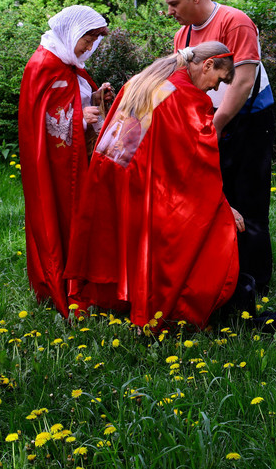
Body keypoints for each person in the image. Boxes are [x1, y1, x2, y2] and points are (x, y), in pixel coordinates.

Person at [65, 42, 245, 329]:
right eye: (219, 81)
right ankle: (168, 307)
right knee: (199, 227)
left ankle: (121, 298)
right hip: (139, 177)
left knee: (120, 240)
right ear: (208, 65)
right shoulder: (185, 96)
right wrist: (223, 206)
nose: (215, 90)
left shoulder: (146, 78)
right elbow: (195, 162)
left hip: (112, 171)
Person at [160, 0, 275, 294]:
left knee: (248, 200)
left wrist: (216, 124)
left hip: (249, 120)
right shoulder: (181, 36)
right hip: (207, 122)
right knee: (215, 198)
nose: (170, 12)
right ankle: (225, 273)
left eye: (174, 4)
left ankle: (256, 282)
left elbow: (243, 80)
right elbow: (180, 84)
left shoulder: (234, 21)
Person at [18, 5, 112, 317]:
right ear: (71, 32)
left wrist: (97, 98)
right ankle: (63, 284)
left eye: (93, 41)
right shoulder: (43, 65)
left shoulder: (70, 65)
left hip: (78, 159)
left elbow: (73, 99)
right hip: (56, 168)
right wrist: (80, 118)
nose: (89, 47)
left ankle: (85, 282)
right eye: (87, 39)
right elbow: (43, 122)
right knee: (59, 217)